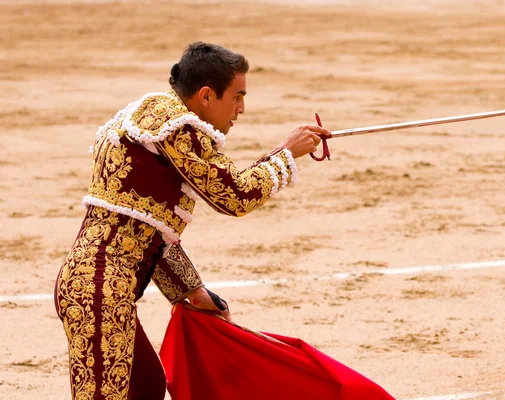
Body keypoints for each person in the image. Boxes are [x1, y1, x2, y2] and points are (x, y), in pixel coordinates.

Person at [54, 41, 331, 400]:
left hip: (95, 284)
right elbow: (235, 196)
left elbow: (144, 231)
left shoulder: (151, 115)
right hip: (101, 289)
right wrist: (286, 155)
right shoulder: (176, 127)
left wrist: (191, 291)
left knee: (145, 386)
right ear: (205, 95)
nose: (241, 109)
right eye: (237, 97)